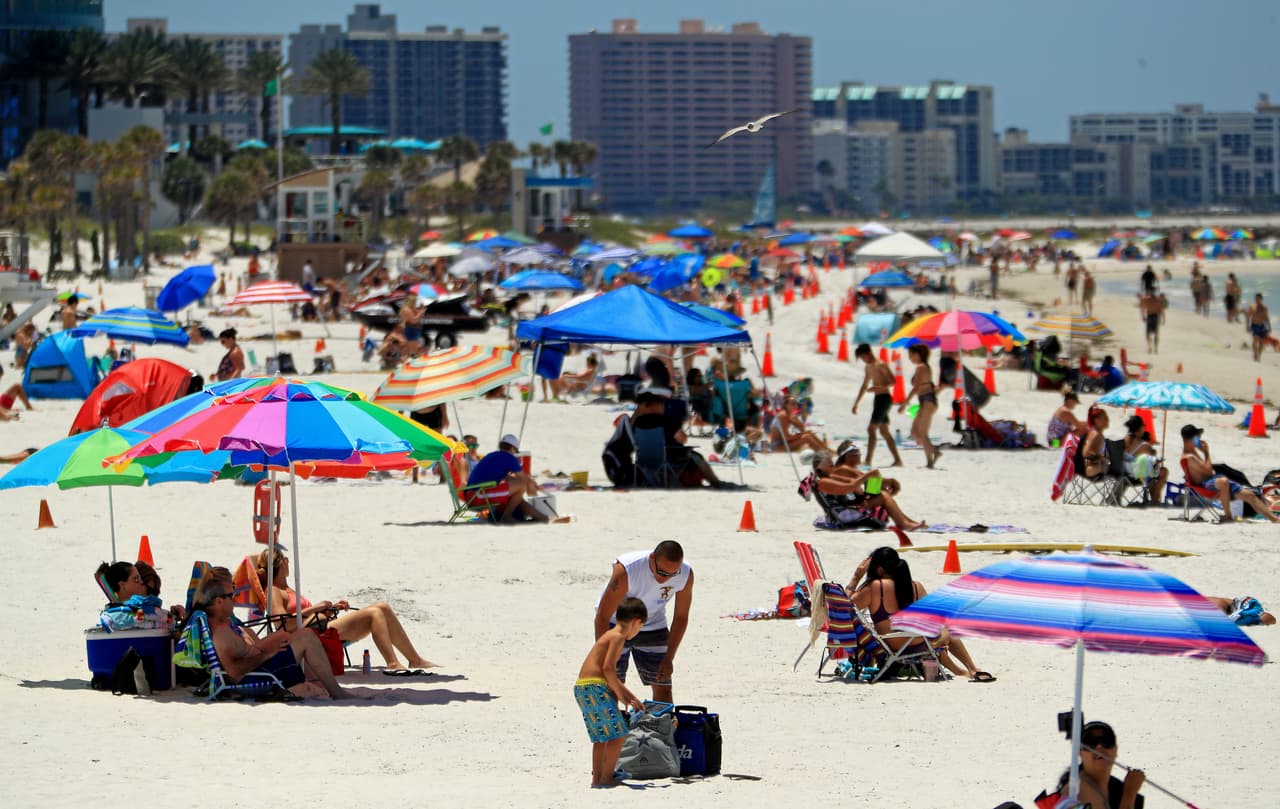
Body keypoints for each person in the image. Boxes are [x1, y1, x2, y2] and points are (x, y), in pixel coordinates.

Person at [255, 547, 438, 674]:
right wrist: (316, 608)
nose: (289, 562)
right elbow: (280, 623)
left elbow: (303, 615)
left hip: (320, 625)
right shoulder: (274, 591)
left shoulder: (289, 589)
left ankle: (415, 659)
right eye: (286, 559)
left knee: (383, 607)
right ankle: (392, 662)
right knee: (375, 613)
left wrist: (330, 609)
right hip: (311, 634)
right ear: (280, 564)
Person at [198, 575, 357, 699]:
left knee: (299, 635)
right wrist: (268, 654)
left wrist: (271, 643)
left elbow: (248, 651)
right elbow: (234, 673)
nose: (234, 599)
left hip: (258, 667)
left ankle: (323, 687)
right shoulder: (220, 633)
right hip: (252, 679)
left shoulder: (223, 624)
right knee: (306, 637)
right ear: (219, 601)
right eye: (231, 596)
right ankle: (335, 692)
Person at [847, 546, 993, 681]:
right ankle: (972, 669)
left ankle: (958, 669)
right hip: (920, 643)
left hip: (893, 644)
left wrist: (855, 578)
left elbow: (845, 607)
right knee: (947, 631)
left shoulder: (874, 587)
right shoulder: (916, 586)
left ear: (878, 569)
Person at [593, 541, 693, 704]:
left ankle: (661, 727)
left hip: (653, 623)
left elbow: (681, 617)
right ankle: (613, 728)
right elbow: (602, 616)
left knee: (663, 684)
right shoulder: (628, 569)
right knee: (611, 685)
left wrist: (669, 658)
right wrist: (604, 656)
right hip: (617, 623)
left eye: (671, 575)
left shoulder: (685, 574)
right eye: (661, 572)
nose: (664, 579)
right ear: (652, 558)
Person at [574, 597, 647, 788]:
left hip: (584, 687)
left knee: (601, 736)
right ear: (636, 622)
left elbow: (607, 672)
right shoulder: (618, 637)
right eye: (640, 628)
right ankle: (607, 777)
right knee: (618, 734)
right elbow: (608, 669)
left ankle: (597, 779)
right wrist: (627, 696)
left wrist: (625, 695)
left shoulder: (609, 634)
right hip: (596, 686)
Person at [1180, 424, 1278, 523]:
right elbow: (1209, 470)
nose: (1199, 438)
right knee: (1223, 481)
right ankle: (1228, 516)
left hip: (1213, 482)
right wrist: (1206, 452)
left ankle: (1274, 519)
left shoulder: (1192, 453)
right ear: (1192, 438)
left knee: (1250, 495)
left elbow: (1207, 471)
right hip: (1206, 485)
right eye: (1197, 436)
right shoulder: (1189, 457)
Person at [811, 451, 926, 531]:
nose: (833, 466)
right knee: (883, 495)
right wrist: (868, 476)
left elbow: (854, 484)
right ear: (820, 468)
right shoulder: (822, 482)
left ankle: (906, 522)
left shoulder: (832, 477)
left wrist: (875, 481)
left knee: (880, 490)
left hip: (850, 507)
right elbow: (850, 487)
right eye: (830, 464)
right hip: (842, 515)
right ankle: (904, 523)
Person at [466, 433, 567, 523]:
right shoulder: (508, 457)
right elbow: (525, 480)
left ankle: (544, 518)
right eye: (515, 451)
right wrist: (537, 488)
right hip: (477, 496)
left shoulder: (493, 456)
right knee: (520, 486)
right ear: (512, 448)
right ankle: (506, 517)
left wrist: (524, 485)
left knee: (516, 497)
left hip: (472, 495)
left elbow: (508, 479)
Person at [1055, 721, 1144, 809]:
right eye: (1090, 742)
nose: (1099, 747)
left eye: (1106, 741)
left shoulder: (1115, 789)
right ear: (1080, 752)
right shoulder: (1077, 792)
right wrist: (1129, 793)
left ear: (1116, 750)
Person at [851, 343, 902, 467]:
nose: (863, 360)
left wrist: (878, 387)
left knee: (871, 428)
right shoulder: (868, 367)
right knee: (884, 431)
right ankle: (898, 460)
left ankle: (868, 460)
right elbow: (864, 386)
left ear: (869, 353)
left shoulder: (881, 365)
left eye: (863, 357)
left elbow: (893, 381)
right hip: (877, 398)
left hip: (884, 398)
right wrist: (856, 403)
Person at [899, 344, 941, 468]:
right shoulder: (924, 367)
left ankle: (930, 462)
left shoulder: (921, 367)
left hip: (928, 401)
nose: (910, 358)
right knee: (914, 432)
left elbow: (916, 388)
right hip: (925, 401)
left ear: (918, 354)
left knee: (922, 432)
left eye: (911, 355)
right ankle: (935, 452)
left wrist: (904, 404)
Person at [1121, 415, 1167, 504]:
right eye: (1144, 426)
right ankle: (1155, 500)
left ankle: (1154, 499)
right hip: (1135, 475)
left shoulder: (1125, 439)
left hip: (1123, 472)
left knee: (1151, 469)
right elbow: (1153, 455)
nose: (1144, 428)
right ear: (1139, 428)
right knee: (1163, 471)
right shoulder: (1143, 444)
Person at [1080, 407, 1111, 479]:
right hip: (1091, 469)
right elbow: (1086, 453)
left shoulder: (1094, 433)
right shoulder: (1096, 435)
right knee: (1120, 470)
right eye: (1105, 418)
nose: (1107, 420)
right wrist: (1102, 459)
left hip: (1091, 467)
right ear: (1096, 420)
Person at [1247, 293, 1271, 362]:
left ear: (1261, 299)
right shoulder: (1252, 307)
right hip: (1254, 325)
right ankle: (1255, 354)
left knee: (1261, 343)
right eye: (1256, 298)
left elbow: (1266, 318)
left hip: (1262, 326)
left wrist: (1269, 327)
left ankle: (1259, 356)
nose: (1257, 300)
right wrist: (1247, 326)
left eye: (1258, 299)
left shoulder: (1264, 307)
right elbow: (1248, 317)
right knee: (1255, 341)